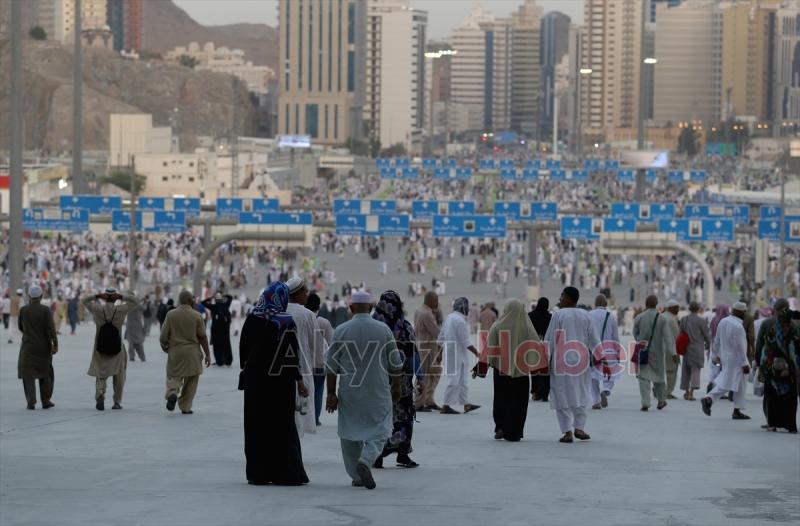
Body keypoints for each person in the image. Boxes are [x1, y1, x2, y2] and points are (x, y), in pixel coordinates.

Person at [325, 291, 404, 489]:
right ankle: (366, 460)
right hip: (377, 390)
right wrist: (396, 386)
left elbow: (331, 366)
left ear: (351, 308)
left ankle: (357, 475)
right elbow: (395, 363)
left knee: (349, 432)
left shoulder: (341, 330)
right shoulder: (383, 329)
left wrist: (331, 393)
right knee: (381, 428)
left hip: (350, 391)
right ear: (371, 307)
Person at [240, 282, 309, 485]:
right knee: (281, 425)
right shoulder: (284, 322)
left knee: (256, 425)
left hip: (255, 383)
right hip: (280, 384)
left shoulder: (252, 318)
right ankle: (284, 473)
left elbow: (243, 350)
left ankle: (258, 473)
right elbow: (291, 356)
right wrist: (299, 381)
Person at [544, 287, 599, 443]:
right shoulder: (586, 315)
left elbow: (550, 339)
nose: (560, 299)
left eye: (562, 296)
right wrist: (603, 359)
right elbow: (594, 339)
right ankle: (579, 428)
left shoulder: (558, 315)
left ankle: (567, 431)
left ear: (568, 298)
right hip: (581, 360)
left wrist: (545, 359)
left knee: (561, 394)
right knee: (581, 392)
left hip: (561, 361)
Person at [372, 291, 419, 468]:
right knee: (404, 416)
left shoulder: (373, 326)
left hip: (377, 380)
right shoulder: (405, 326)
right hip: (402, 381)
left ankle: (377, 455)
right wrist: (420, 375)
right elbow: (412, 353)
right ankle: (402, 454)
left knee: (380, 417)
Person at [484, 299, 539, 441]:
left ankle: (500, 427)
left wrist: (483, 366)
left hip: (501, 370)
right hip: (521, 372)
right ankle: (515, 431)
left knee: (501, 399)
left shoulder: (497, 326)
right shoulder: (527, 328)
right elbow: (536, 348)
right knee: (519, 402)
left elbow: (489, 349)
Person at [83, 288, 139, 410]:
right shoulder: (120, 310)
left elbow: (84, 301)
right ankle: (117, 402)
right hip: (116, 347)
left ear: (104, 297)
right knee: (119, 375)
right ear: (114, 298)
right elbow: (136, 301)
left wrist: (97, 295)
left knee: (101, 372)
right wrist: (122, 297)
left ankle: (100, 393)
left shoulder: (98, 309)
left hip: (100, 346)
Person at [159, 290, 211, 414]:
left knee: (174, 375)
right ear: (189, 300)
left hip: (175, 351)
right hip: (192, 353)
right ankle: (185, 406)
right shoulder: (197, 315)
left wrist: (165, 347)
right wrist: (208, 354)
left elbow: (163, 336)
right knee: (192, 379)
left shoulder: (171, 314)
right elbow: (202, 337)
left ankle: (172, 392)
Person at [285, 277, 322, 436]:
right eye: (305, 292)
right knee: (299, 413)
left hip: (278, 372)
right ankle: (293, 455)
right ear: (297, 294)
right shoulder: (307, 314)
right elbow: (317, 345)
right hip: (302, 370)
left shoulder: (277, 311)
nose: (307, 295)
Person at [755, 298, 798, 433]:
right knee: (790, 396)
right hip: (789, 366)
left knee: (771, 394)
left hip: (770, 364)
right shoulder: (794, 325)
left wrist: (758, 363)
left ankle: (772, 424)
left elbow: (760, 344)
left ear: (775, 309)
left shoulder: (767, 323)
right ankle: (790, 425)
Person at [701, 302, 750, 420]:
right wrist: (744, 363)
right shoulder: (738, 327)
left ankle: (736, 410)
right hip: (737, 360)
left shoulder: (723, 321)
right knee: (729, 382)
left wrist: (715, 355)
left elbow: (716, 340)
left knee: (737, 383)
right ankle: (709, 398)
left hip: (726, 358)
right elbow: (741, 347)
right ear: (740, 312)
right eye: (744, 312)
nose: (745, 314)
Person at [633, 295, 677, 412]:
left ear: (646, 303)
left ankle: (646, 403)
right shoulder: (661, 318)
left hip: (643, 351)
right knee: (659, 377)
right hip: (658, 352)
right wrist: (673, 353)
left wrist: (641, 341)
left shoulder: (639, 317)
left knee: (643, 377)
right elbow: (668, 337)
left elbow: (635, 333)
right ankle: (661, 400)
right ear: (656, 304)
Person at [438, 297, 481, 415]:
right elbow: (466, 342)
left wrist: (439, 354)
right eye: (467, 307)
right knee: (453, 380)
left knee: (462, 380)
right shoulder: (460, 321)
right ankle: (445, 406)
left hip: (452, 354)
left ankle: (466, 404)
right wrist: (478, 354)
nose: (468, 309)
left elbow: (441, 338)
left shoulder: (449, 318)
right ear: (462, 307)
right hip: (456, 355)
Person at [17, 286, 58, 410]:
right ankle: (45, 401)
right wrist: (55, 344)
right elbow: (51, 329)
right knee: (46, 373)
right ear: (41, 297)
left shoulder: (23, 310)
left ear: (29, 297)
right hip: (43, 347)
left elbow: (20, 327)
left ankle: (31, 402)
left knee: (28, 374)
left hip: (28, 347)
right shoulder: (46, 310)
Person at [305, 292, 334, 426]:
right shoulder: (324, 322)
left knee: (305, 390)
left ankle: (305, 416)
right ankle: (315, 418)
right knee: (318, 391)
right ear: (318, 306)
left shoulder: (302, 320)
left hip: (305, 364)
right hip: (320, 363)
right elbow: (332, 343)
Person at [589, 294, 620, 410]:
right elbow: (615, 336)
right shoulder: (610, 316)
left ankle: (596, 401)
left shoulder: (589, 315)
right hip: (608, 349)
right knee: (610, 372)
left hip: (593, 349)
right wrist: (617, 352)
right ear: (606, 304)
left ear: (595, 303)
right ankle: (606, 389)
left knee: (593, 376)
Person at [413, 291, 442, 412]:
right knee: (424, 375)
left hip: (422, 346)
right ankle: (419, 403)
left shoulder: (419, 310)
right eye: (436, 300)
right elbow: (436, 333)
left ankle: (428, 400)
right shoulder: (427, 314)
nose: (437, 303)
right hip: (428, 348)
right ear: (430, 300)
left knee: (434, 373)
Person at [680, 302, 710, 401]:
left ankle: (686, 392)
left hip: (686, 349)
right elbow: (707, 335)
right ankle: (691, 393)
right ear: (698, 309)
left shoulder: (684, 319)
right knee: (695, 371)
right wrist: (708, 345)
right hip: (697, 348)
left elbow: (680, 334)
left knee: (686, 370)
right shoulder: (701, 321)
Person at [528, 298, 552, 402]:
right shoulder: (550, 317)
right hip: (546, 346)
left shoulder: (530, 315)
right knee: (546, 370)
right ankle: (545, 393)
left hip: (533, 345)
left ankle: (535, 392)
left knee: (534, 370)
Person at [202, 292, 234, 367]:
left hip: (216, 328)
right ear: (222, 299)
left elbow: (203, 303)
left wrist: (211, 297)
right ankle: (228, 361)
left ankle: (219, 361)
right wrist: (223, 295)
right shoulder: (226, 305)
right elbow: (230, 297)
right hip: (225, 328)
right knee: (226, 344)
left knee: (217, 345)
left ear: (215, 300)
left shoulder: (213, 306)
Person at [662, 299, 681, 400]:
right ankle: (668, 392)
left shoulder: (662, 316)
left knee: (661, 370)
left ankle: (659, 389)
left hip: (660, 348)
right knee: (671, 372)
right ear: (670, 308)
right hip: (671, 349)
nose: (678, 309)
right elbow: (676, 336)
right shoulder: (672, 319)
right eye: (676, 308)